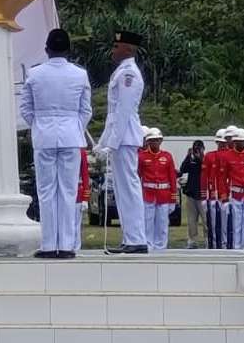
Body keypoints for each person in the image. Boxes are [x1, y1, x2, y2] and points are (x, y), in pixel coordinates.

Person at [19, 28, 93, 259]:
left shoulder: (34, 74)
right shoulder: (79, 75)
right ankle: (68, 245)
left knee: (47, 191)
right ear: (68, 50)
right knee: (68, 191)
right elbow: (86, 110)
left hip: (44, 135)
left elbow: (26, 109)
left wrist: (40, 125)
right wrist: (73, 126)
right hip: (71, 135)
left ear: (47, 49)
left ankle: (50, 244)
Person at [95, 30, 148, 254]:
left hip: (125, 139)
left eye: (117, 47)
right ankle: (130, 238)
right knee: (122, 189)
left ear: (128, 48)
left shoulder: (129, 74)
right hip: (120, 138)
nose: (113, 50)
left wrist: (112, 143)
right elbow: (113, 114)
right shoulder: (121, 72)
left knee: (129, 189)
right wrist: (102, 142)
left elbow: (124, 111)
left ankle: (136, 239)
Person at [139, 128, 177, 252]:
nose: (155, 143)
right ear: (148, 142)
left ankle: (161, 247)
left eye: (157, 140)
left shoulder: (167, 156)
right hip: (148, 194)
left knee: (162, 224)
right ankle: (149, 246)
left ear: (161, 141)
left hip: (164, 195)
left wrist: (173, 199)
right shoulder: (142, 156)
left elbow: (172, 178)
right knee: (148, 223)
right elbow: (138, 176)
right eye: (152, 140)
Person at [200, 129, 228, 248]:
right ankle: (214, 243)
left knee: (226, 223)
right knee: (212, 222)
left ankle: (226, 243)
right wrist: (203, 196)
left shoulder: (230, 155)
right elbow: (204, 176)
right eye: (220, 142)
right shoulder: (210, 156)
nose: (222, 145)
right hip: (212, 193)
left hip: (226, 194)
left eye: (224, 142)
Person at [179, 140, 206, 249]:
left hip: (202, 194)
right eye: (195, 148)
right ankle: (192, 240)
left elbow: (205, 168)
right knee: (191, 221)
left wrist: (200, 158)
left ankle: (207, 239)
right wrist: (188, 156)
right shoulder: (190, 159)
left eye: (199, 148)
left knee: (206, 220)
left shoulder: (205, 159)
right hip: (191, 193)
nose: (197, 150)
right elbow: (182, 170)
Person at [74, 148, 90, 251]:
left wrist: (85, 198)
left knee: (75, 224)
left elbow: (85, 175)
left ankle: (76, 247)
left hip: (77, 194)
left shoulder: (81, 152)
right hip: (63, 193)